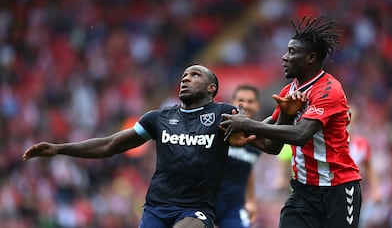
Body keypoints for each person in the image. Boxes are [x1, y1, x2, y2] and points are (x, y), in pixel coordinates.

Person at [22, 64, 257, 228]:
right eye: (184, 75)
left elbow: (265, 140)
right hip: (156, 208)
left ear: (211, 88)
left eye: (195, 75)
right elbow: (110, 145)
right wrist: (59, 148)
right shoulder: (157, 118)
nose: (185, 78)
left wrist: (260, 123)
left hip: (195, 209)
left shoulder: (224, 113)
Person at [220, 16, 363, 228]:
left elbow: (300, 135)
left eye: (292, 52)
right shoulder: (290, 91)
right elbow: (273, 145)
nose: (284, 57)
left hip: (338, 190)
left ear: (311, 58)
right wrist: (239, 133)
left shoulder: (328, 90)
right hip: (303, 192)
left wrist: (247, 125)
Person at [215, 84, 262, 228]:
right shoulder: (217, 130)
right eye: (241, 100)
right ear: (232, 103)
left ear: (257, 106)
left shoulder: (257, 139)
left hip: (233, 208)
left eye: (250, 101)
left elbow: (248, 169)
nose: (246, 105)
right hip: (204, 203)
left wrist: (251, 201)